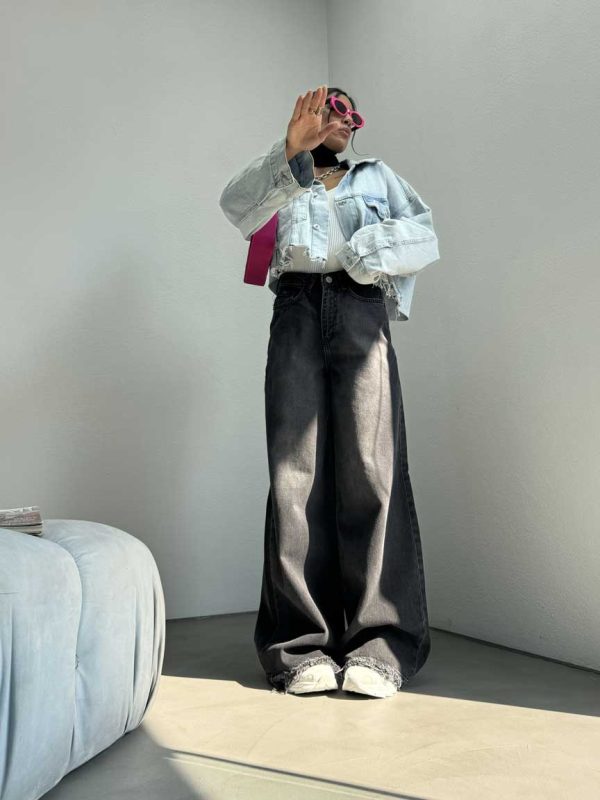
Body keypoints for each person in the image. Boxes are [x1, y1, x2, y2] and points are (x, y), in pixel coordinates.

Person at [219, 85, 440, 698]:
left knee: (372, 468)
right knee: (295, 474)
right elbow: (236, 206)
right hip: (295, 308)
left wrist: (364, 252)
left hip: (360, 308)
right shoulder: (281, 176)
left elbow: (424, 237)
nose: (342, 119)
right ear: (307, 117)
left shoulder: (377, 177)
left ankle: (381, 644)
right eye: (329, 109)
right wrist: (290, 151)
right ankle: (299, 647)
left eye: (349, 113)